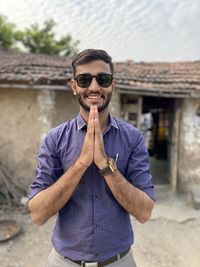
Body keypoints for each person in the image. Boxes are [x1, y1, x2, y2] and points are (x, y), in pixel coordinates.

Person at [28, 49, 155, 267]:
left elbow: (144, 212)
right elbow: (37, 214)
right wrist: (82, 163)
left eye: (103, 79)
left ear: (112, 85)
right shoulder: (55, 139)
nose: (94, 87)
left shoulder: (132, 138)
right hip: (64, 261)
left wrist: (106, 165)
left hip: (119, 261)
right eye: (85, 79)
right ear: (74, 86)